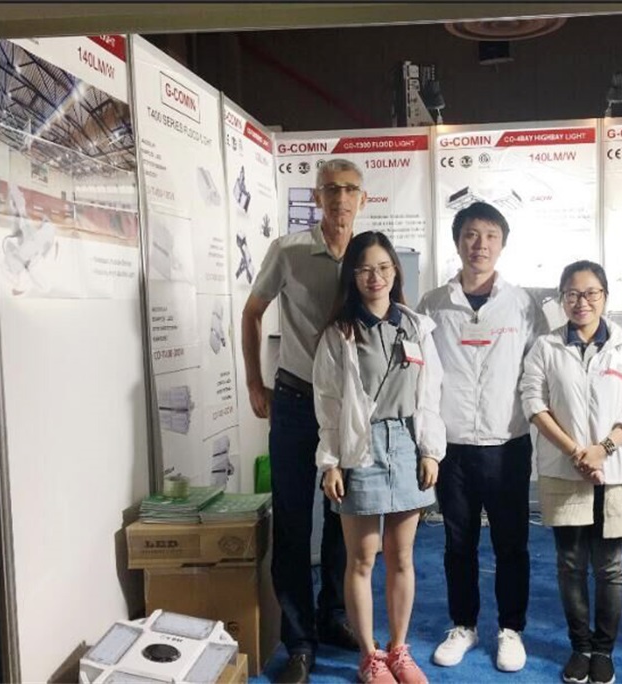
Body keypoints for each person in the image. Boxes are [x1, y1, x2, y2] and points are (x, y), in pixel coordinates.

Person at [241, 159, 367, 683]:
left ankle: (332, 615)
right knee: (293, 522)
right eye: (331, 189)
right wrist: (254, 382)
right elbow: (252, 312)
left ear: (363, 199)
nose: (340, 198)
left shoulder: (368, 256)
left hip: (349, 408)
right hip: (295, 402)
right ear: (316, 197)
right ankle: (298, 639)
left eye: (350, 189)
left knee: (345, 517)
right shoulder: (289, 250)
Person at [416, 201, 548, 672]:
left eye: (491, 236)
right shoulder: (433, 304)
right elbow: (422, 377)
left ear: (503, 244)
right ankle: (464, 625)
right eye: (471, 234)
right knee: (459, 542)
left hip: (506, 443)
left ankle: (511, 628)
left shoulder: (522, 304)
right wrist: (427, 442)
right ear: (457, 241)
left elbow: (538, 370)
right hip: (452, 446)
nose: (480, 245)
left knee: (512, 542)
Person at [313, 231, 446, 684]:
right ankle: (370, 655)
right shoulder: (340, 333)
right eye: (366, 269)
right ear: (352, 276)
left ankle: (399, 649)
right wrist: (331, 462)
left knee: (402, 556)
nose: (376, 277)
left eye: (384, 267)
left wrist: (430, 451)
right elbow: (329, 402)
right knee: (362, 558)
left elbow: (430, 394)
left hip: (406, 444)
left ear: (395, 272)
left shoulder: (416, 327)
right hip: (360, 447)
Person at [519, 260, 622, 684]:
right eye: (573, 294)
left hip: (615, 469)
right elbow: (533, 403)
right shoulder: (545, 347)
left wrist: (603, 449)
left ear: (605, 297)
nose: (582, 302)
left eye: (591, 293)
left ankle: (604, 651)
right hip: (564, 467)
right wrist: (577, 452)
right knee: (570, 562)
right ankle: (580, 647)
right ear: (562, 300)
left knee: (610, 565)